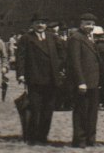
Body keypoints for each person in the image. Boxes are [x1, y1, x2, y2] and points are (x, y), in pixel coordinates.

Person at [15, 14, 65, 145]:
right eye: (37, 22)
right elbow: (20, 57)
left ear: (46, 25)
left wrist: (57, 66)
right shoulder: (26, 38)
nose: (40, 25)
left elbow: (62, 54)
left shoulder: (52, 37)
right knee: (35, 109)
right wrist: (21, 74)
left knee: (48, 110)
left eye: (42, 23)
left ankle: (43, 136)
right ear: (32, 24)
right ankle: (32, 137)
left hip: (51, 79)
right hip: (34, 78)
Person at [68, 12, 101, 147]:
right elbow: (75, 62)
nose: (90, 27)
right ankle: (80, 140)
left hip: (93, 82)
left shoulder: (89, 38)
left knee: (92, 112)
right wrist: (80, 81)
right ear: (81, 24)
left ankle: (90, 139)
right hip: (84, 83)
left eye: (92, 24)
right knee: (81, 112)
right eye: (87, 24)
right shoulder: (76, 38)